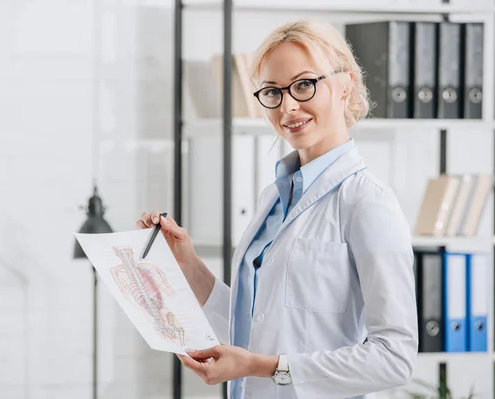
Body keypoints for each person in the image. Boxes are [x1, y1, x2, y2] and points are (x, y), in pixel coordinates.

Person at [137, 20, 417, 398]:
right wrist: (188, 263)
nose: (288, 106)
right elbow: (249, 326)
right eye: (272, 91)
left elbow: (394, 359)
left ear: (345, 84)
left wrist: (261, 367)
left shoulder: (367, 203)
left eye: (304, 85)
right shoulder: (274, 197)